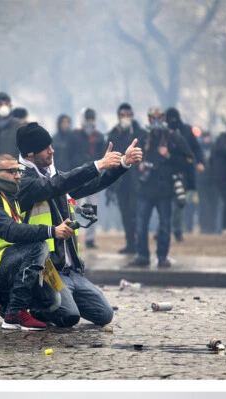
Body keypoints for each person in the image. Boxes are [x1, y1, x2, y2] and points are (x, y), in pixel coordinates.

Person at [16, 121, 142, 327]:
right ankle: (34, 305)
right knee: (69, 317)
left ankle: (64, 298)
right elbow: (54, 186)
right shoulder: (23, 179)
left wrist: (122, 165)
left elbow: (88, 184)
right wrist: (97, 165)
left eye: (51, 145)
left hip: (71, 269)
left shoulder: (50, 172)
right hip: (47, 270)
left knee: (104, 315)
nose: (52, 150)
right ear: (30, 154)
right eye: (45, 148)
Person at [0, 152, 70, 330]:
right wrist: (52, 231)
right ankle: (13, 313)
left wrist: (117, 166)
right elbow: (10, 231)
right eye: (12, 171)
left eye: (18, 170)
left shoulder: (11, 195)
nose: (18, 175)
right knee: (39, 247)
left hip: (5, 261)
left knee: (51, 302)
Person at [133, 121, 191, 268]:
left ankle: (162, 256)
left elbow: (188, 160)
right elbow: (131, 159)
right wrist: (138, 165)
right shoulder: (144, 139)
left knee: (165, 225)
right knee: (141, 225)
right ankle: (142, 255)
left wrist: (168, 155)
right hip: (146, 189)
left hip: (164, 190)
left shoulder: (174, 139)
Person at [106, 103, 143, 254]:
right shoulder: (114, 133)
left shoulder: (139, 132)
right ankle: (130, 244)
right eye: (123, 115)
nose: (125, 118)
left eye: (128, 115)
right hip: (120, 180)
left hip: (137, 181)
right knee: (125, 214)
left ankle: (139, 244)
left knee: (136, 214)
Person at [165, 107, 203, 242]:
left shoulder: (186, 130)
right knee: (165, 203)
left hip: (183, 171)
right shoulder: (163, 132)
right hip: (166, 172)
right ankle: (164, 229)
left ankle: (177, 230)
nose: (172, 121)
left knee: (180, 202)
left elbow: (196, 148)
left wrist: (200, 162)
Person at [70, 108, 106, 249]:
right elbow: (69, 155)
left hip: (93, 178)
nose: (89, 122)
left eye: (91, 119)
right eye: (87, 119)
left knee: (92, 209)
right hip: (76, 178)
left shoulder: (98, 137)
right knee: (72, 207)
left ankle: (90, 238)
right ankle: (71, 234)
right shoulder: (75, 136)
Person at [0, 92, 21, 158]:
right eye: (0, 104)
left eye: (6, 104)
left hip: (13, 164)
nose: (4, 107)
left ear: (10, 105)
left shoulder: (17, 124)